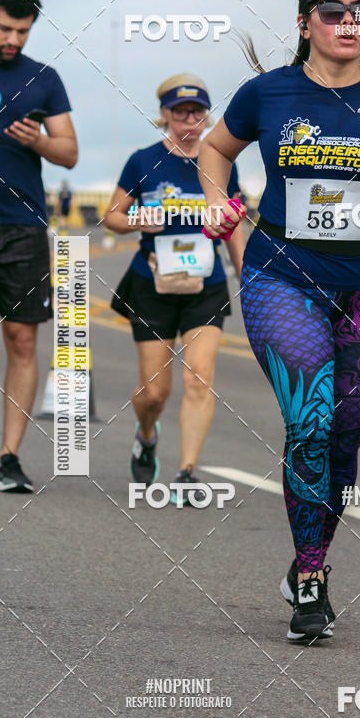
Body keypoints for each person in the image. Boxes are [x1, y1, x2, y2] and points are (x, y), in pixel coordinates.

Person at [199, 0, 360, 642]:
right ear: (306, 20)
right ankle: (311, 579)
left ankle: (309, 557)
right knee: (308, 421)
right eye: (334, 11)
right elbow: (215, 149)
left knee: (343, 438)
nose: (349, 24)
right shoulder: (268, 93)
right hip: (281, 274)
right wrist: (221, 206)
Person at [105, 74, 243, 502]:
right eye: (181, 112)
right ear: (164, 114)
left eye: (198, 112)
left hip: (207, 283)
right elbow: (111, 215)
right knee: (154, 393)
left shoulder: (219, 161)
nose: (190, 120)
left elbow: (234, 220)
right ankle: (147, 434)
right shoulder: (143, 161)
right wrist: (136, 221)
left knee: (199, 377)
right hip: (153, 284)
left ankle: (186, 473)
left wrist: (247, 274)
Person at [0, 0, 78, 493]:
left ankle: (8, 457)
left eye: (22, 30)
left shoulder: (43, 79)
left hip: (22, 226)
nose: (14, 39)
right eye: (5, 28)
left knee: (21, 339)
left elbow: (69, 152)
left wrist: (39, 140)